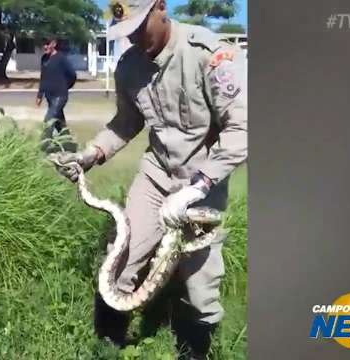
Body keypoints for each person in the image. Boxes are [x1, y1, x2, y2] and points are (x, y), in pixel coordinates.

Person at [52, 0, 247, 358]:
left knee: (201, 282)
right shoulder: (129, 67)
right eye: (126, 33)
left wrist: (198, 188)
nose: (135, 39)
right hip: (156, 174)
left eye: (140, 27)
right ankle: (106, 345)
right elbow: (126, 122)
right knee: (123, 256)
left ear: (161, 7)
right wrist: (90, 155)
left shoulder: (207, 54)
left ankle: (194, 350)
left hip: (203, 179)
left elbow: (241, 130)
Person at [36, 38, 78, 152]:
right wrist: (40, 95)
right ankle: (69, 144)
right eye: (43, 44)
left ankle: (43, 147)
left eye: (47, 44)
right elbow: (43, 78)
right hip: (49, 96)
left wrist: (65, 86)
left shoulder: (61, 59)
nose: (45, 47)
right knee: (59, 123)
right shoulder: (44, 59)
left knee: (49, 120)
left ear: (53, 44)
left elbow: (73, 75)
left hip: (60, 96)